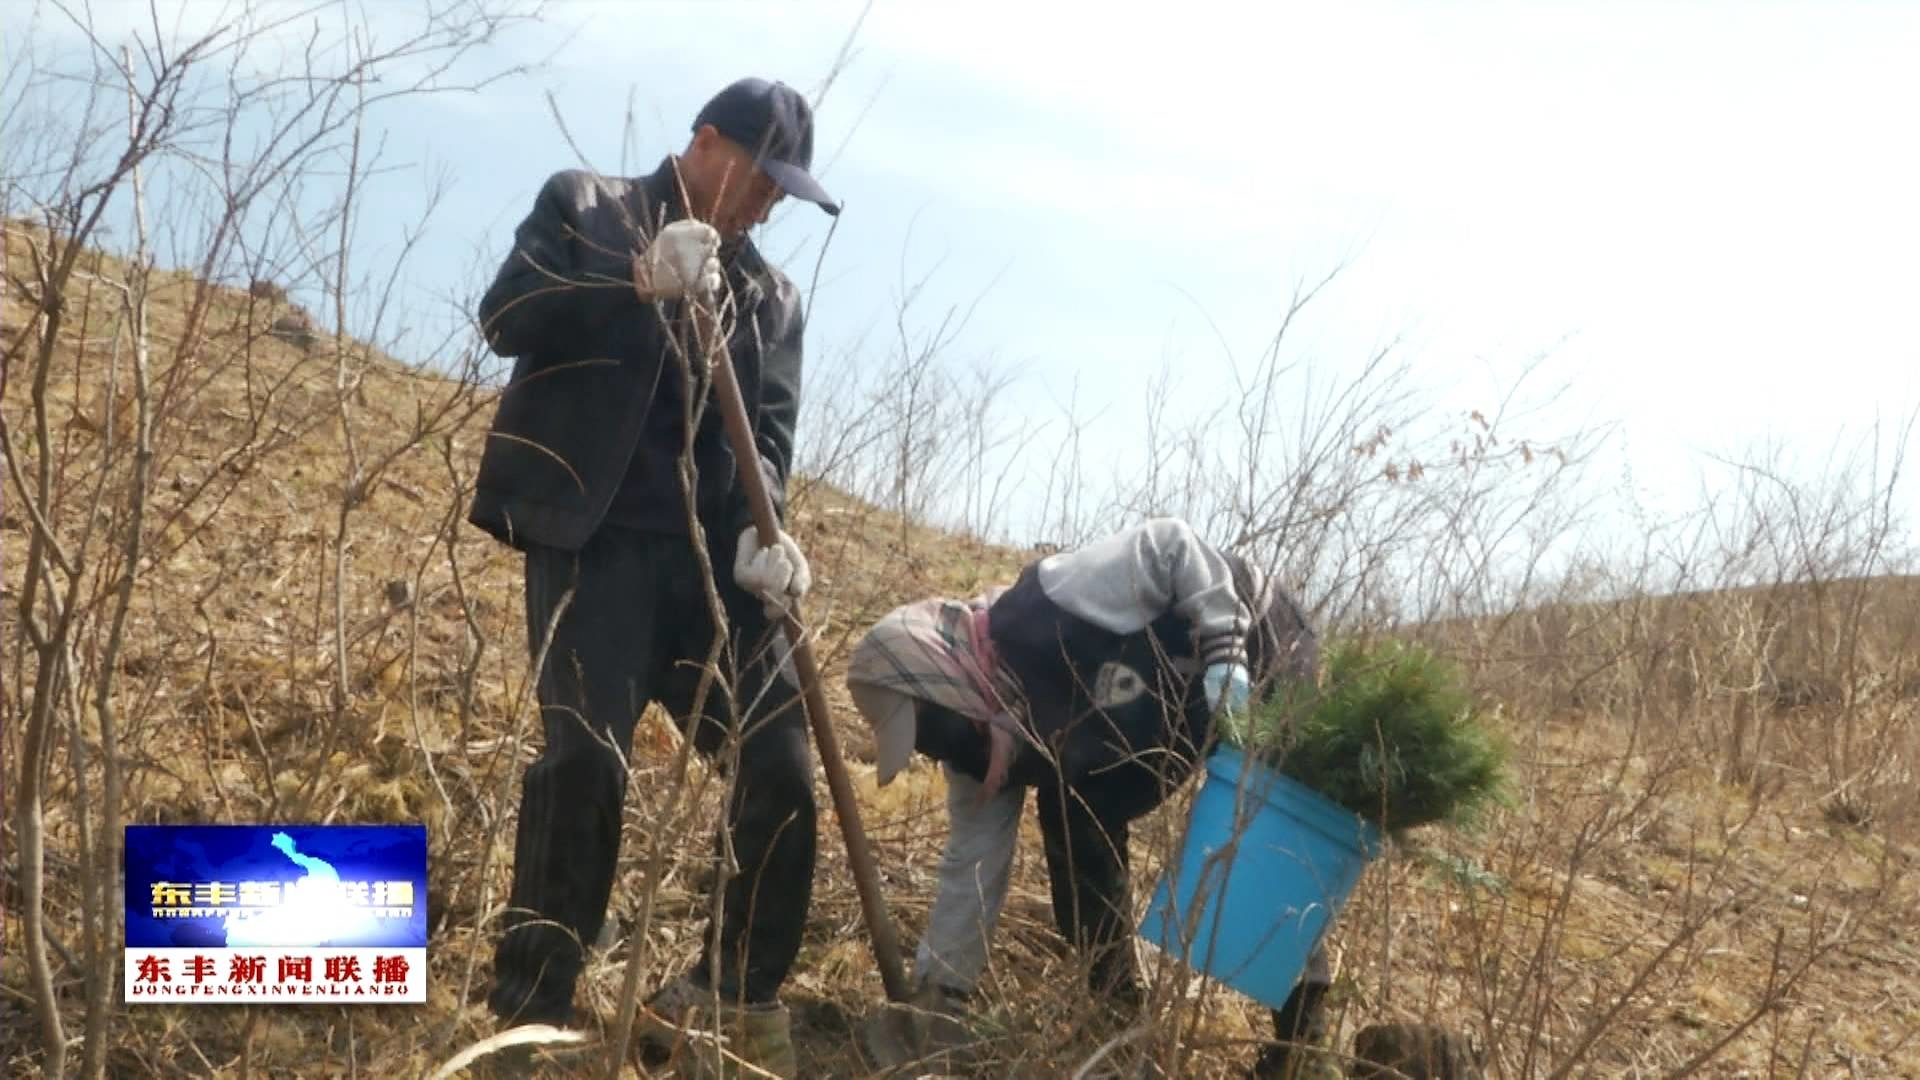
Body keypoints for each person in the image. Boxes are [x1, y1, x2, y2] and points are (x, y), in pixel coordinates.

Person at [467, 77, 840, 1077]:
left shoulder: (775, 299)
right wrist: (631, 281)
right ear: (705, 142)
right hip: (596, 547)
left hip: (712, 577)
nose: (764, 207)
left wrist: (772, 536)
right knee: (585, 761)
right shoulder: (587, 206)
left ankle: (721, 995)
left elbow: (768, 443)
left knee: (781, 767)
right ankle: (528, 1014)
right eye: (759, 180)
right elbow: (506, 316)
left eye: (781, 195)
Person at [846, 517, 1340, 1079]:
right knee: (1073, 810)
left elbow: (1172, 544)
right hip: (1150, 709)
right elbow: (970, 872)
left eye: (934, 727)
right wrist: (941, 994)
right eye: (925, 744)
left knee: (1266, 828)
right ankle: (1117, 1015)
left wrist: (1227, 653)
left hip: (1252, 638)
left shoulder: (1047, 604)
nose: (949, 749)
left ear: (942, 673)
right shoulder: (980, 753)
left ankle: (1302, 1050)